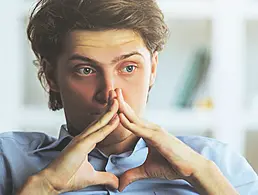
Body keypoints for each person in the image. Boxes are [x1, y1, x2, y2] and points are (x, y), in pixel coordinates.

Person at [0, 0, 257, 194]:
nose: (110, 92)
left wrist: (203, 174)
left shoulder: (217, 163)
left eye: (129, 68)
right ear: (52, 76)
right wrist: (44, 185)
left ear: (153, 69)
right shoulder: (7, 160)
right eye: (85, 70)